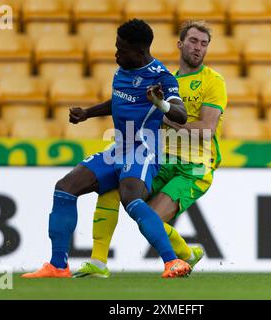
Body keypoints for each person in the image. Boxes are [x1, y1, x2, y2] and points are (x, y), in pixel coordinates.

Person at [22, 19, 191, 279]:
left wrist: (160, 104)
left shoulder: (161, 77)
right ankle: (58, 265)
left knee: (131, 199)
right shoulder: (123, 69)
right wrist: (87, 113)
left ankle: (173, 262)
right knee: (65, 188)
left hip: (143, 150)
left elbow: (181, 114)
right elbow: (119, 100)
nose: (116, 54)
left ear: (140, 51)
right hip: (118, 149)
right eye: (116, 47)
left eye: (121, 49)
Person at [72, 20, 228, 278]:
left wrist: (165, 116)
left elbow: (207, 130)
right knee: (112, 187)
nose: (198, 48)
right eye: (193, 41)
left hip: (193, 168)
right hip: (161, 159)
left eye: (204, 43)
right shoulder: (168, 81)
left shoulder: (213, 81)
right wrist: (89, 113)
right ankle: (98, 262)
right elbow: (126, 100)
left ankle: (185, 255)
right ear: (180, 44)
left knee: (152, 218)